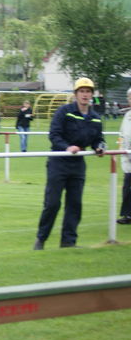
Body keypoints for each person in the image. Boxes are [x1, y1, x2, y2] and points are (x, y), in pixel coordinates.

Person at [34, 78, 105, 250]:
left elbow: (98, 139)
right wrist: (67, 147)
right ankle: (41, 239)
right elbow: (54, 135)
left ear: (92, 95)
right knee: (52, 204)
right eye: (82, 91)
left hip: (77, 165)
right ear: (75, 94)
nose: (85, 95)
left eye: (88, 92)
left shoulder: (95, 118)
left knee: (75, 204)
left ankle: (68, 242)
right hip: (58, 162)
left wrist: (100, 147)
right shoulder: (64, 112)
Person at [116, 87, 131, 225]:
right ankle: (128, 215)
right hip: (127, 159)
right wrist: (119, 147)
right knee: (127, 187)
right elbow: (121, 134)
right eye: (129, 97)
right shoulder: (127, 116)